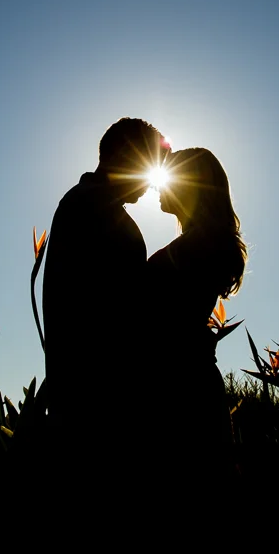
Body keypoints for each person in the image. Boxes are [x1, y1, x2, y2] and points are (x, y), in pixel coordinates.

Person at [41, 117, 170, 471]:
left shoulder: (89, 204)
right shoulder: (90, 208)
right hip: (97, 411)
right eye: (147, 168)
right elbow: (116, 313)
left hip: (90, 406)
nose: (151, 185)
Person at [145, 146, 247, 480]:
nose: (158, 186)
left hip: (180, 394)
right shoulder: (204, 243)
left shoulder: (196, 249)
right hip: (191, 384)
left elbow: (163, 316)